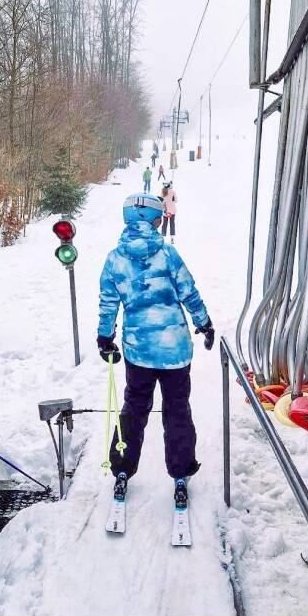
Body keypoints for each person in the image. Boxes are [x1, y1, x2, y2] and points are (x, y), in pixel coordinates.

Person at [96, 193, 214, 507]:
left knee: (134, 408)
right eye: (160, 217)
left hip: (139, 352)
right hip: (174, 350)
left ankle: (121, 469)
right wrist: (204, 324)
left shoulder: (114, 259)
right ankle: (180, 470)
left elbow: (109, 304)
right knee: (177, 409)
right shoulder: (167, 254)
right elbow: (189, 292)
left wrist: (104, 337)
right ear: (153, 220)